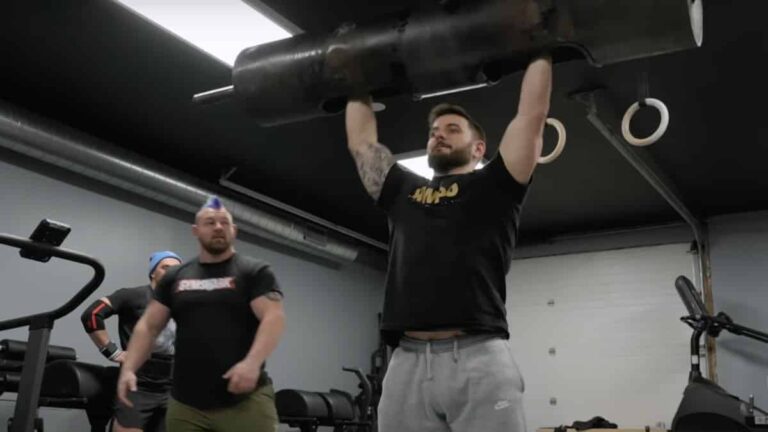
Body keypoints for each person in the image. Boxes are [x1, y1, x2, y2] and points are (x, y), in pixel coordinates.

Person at [344, 54, 553, 432]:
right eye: (434, 130)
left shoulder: (497, 186)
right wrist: (356, 80)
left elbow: (531, 117)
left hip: (478, 357)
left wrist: (539, 50)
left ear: (478, 148)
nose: (438, 133)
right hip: (406, 362)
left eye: (452, 129)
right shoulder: (404, 191)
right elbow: (362, 143)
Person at [117, 196, 285, 432]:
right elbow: (149, 326)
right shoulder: (176, 277)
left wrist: (252, 363)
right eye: (209, 222)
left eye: (224, 222)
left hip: (245, 399)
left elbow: (273, 317)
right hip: (186, 404)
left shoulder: (254, 272)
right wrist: (129, 368)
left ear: (234, 230)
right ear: (195, 230)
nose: (218, 227)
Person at [81, 251, 183, 432]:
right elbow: (92, 315)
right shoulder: (132, 295)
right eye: (165, 267)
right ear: (153, 272)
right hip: (137, 384)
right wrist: (112, 352)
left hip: (172, 386)